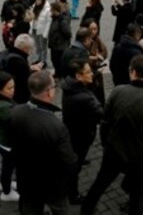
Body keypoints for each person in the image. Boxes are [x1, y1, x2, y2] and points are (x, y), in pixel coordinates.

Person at [81, 55, 143, 215]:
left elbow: (105, 122)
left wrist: (106, 144)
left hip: (115, 151)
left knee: (99, 185)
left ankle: (86, 210)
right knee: (136, 197)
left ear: (133, 72)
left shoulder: (118, 91)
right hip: (141, 159)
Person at [10, 70, 77, 214]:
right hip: (51, 185)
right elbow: (69, 162)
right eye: (54, 87)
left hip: (26, 178)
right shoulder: (56, 126)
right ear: (49, 92)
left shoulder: (16, 110)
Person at [61, 59, 103, 205]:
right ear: (78, 76)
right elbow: (101, 114)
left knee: (76, 160)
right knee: (75, 167)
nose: (92, 74)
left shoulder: (69, 84)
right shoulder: (84, 98)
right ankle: (73, 195)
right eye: (88, 72)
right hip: (81, 136)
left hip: (71, 131)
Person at [0, 71, 19, 202]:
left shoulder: (2, 100)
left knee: (8, 166)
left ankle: (5, 185)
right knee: (8, 167)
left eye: (13, 86)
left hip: (4, 141)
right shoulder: (3, 108)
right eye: (9, 88)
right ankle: (6, 192)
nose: (13, 90)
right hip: (8, 144)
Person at [48, 0, 72, 78]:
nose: (50, 11)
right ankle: (57, 73)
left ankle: (60, 74)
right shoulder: (54, 19)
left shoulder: (62, 21)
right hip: (54, 45)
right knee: (54, 60)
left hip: (60, 46)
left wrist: (59, 39)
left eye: (51, 10)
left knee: (59, 61)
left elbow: (68, 33)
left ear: (55, 10)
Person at [30, 0, 51, 65]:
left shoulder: (47, 9)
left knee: (43, 47)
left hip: (42, 31)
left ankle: (43, 61)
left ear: (42, 0)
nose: (36, 1)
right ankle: (39, 59)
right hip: (35, 29)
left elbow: (49, 22)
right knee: (38, 46)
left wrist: (45, 34)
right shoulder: (34, 7)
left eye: (38, 0)